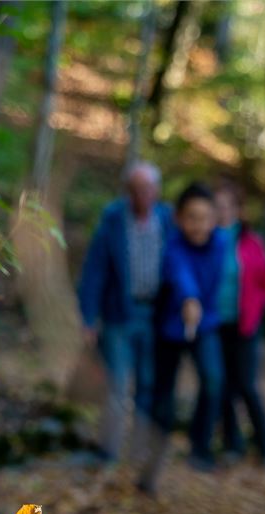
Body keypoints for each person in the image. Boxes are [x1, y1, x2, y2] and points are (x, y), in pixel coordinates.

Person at [77, 161, 173, 462]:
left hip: (155, 317)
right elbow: (94, 271)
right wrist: (87, 318)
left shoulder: (168, 221)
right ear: (127, 191)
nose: (141, 195)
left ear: (157, 191)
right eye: (135, 189)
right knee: (117, 385)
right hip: (120, 314)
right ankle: (109, 450)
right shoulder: (113, 220)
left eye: (147, 188)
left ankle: (140, 450)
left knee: (147, 384)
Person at [138, 182, 226, 493]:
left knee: (213, 380)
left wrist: (199, 306)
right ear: (179, 218)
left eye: (204, 217)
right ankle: (154, 454)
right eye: (191, 217)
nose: (198, 224)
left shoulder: (220, 244)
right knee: (164, 392)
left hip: (205, 326)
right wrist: (189, 299)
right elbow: (179, 273)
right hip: (171, 327)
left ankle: (200, 448)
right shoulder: (173, 245)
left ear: (214, 218)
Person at [214, 180, 265, 467]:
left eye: (227, 207)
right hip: (215, 325)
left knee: (247, 385)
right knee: (223, 387)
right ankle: (232, 444)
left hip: (245, 325)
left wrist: (254, 308)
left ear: (239, 210)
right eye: (217, 207)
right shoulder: (206, 238)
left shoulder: (251, 243)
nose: (222, 212)